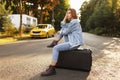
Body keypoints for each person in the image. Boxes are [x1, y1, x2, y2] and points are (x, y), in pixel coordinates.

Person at [41, 8, 84, 76]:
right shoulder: (72, 22)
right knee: (63, 28)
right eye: (67, 13)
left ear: (73, 14)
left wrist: (60, 32)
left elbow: (66, 32)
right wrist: (65, 17)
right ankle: (54, 42)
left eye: (69, 13)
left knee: (56, 48)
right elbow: (63, 25)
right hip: (72, 41)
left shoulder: (74, 22)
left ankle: (52, 69)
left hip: (74, 43)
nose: (67, 15)